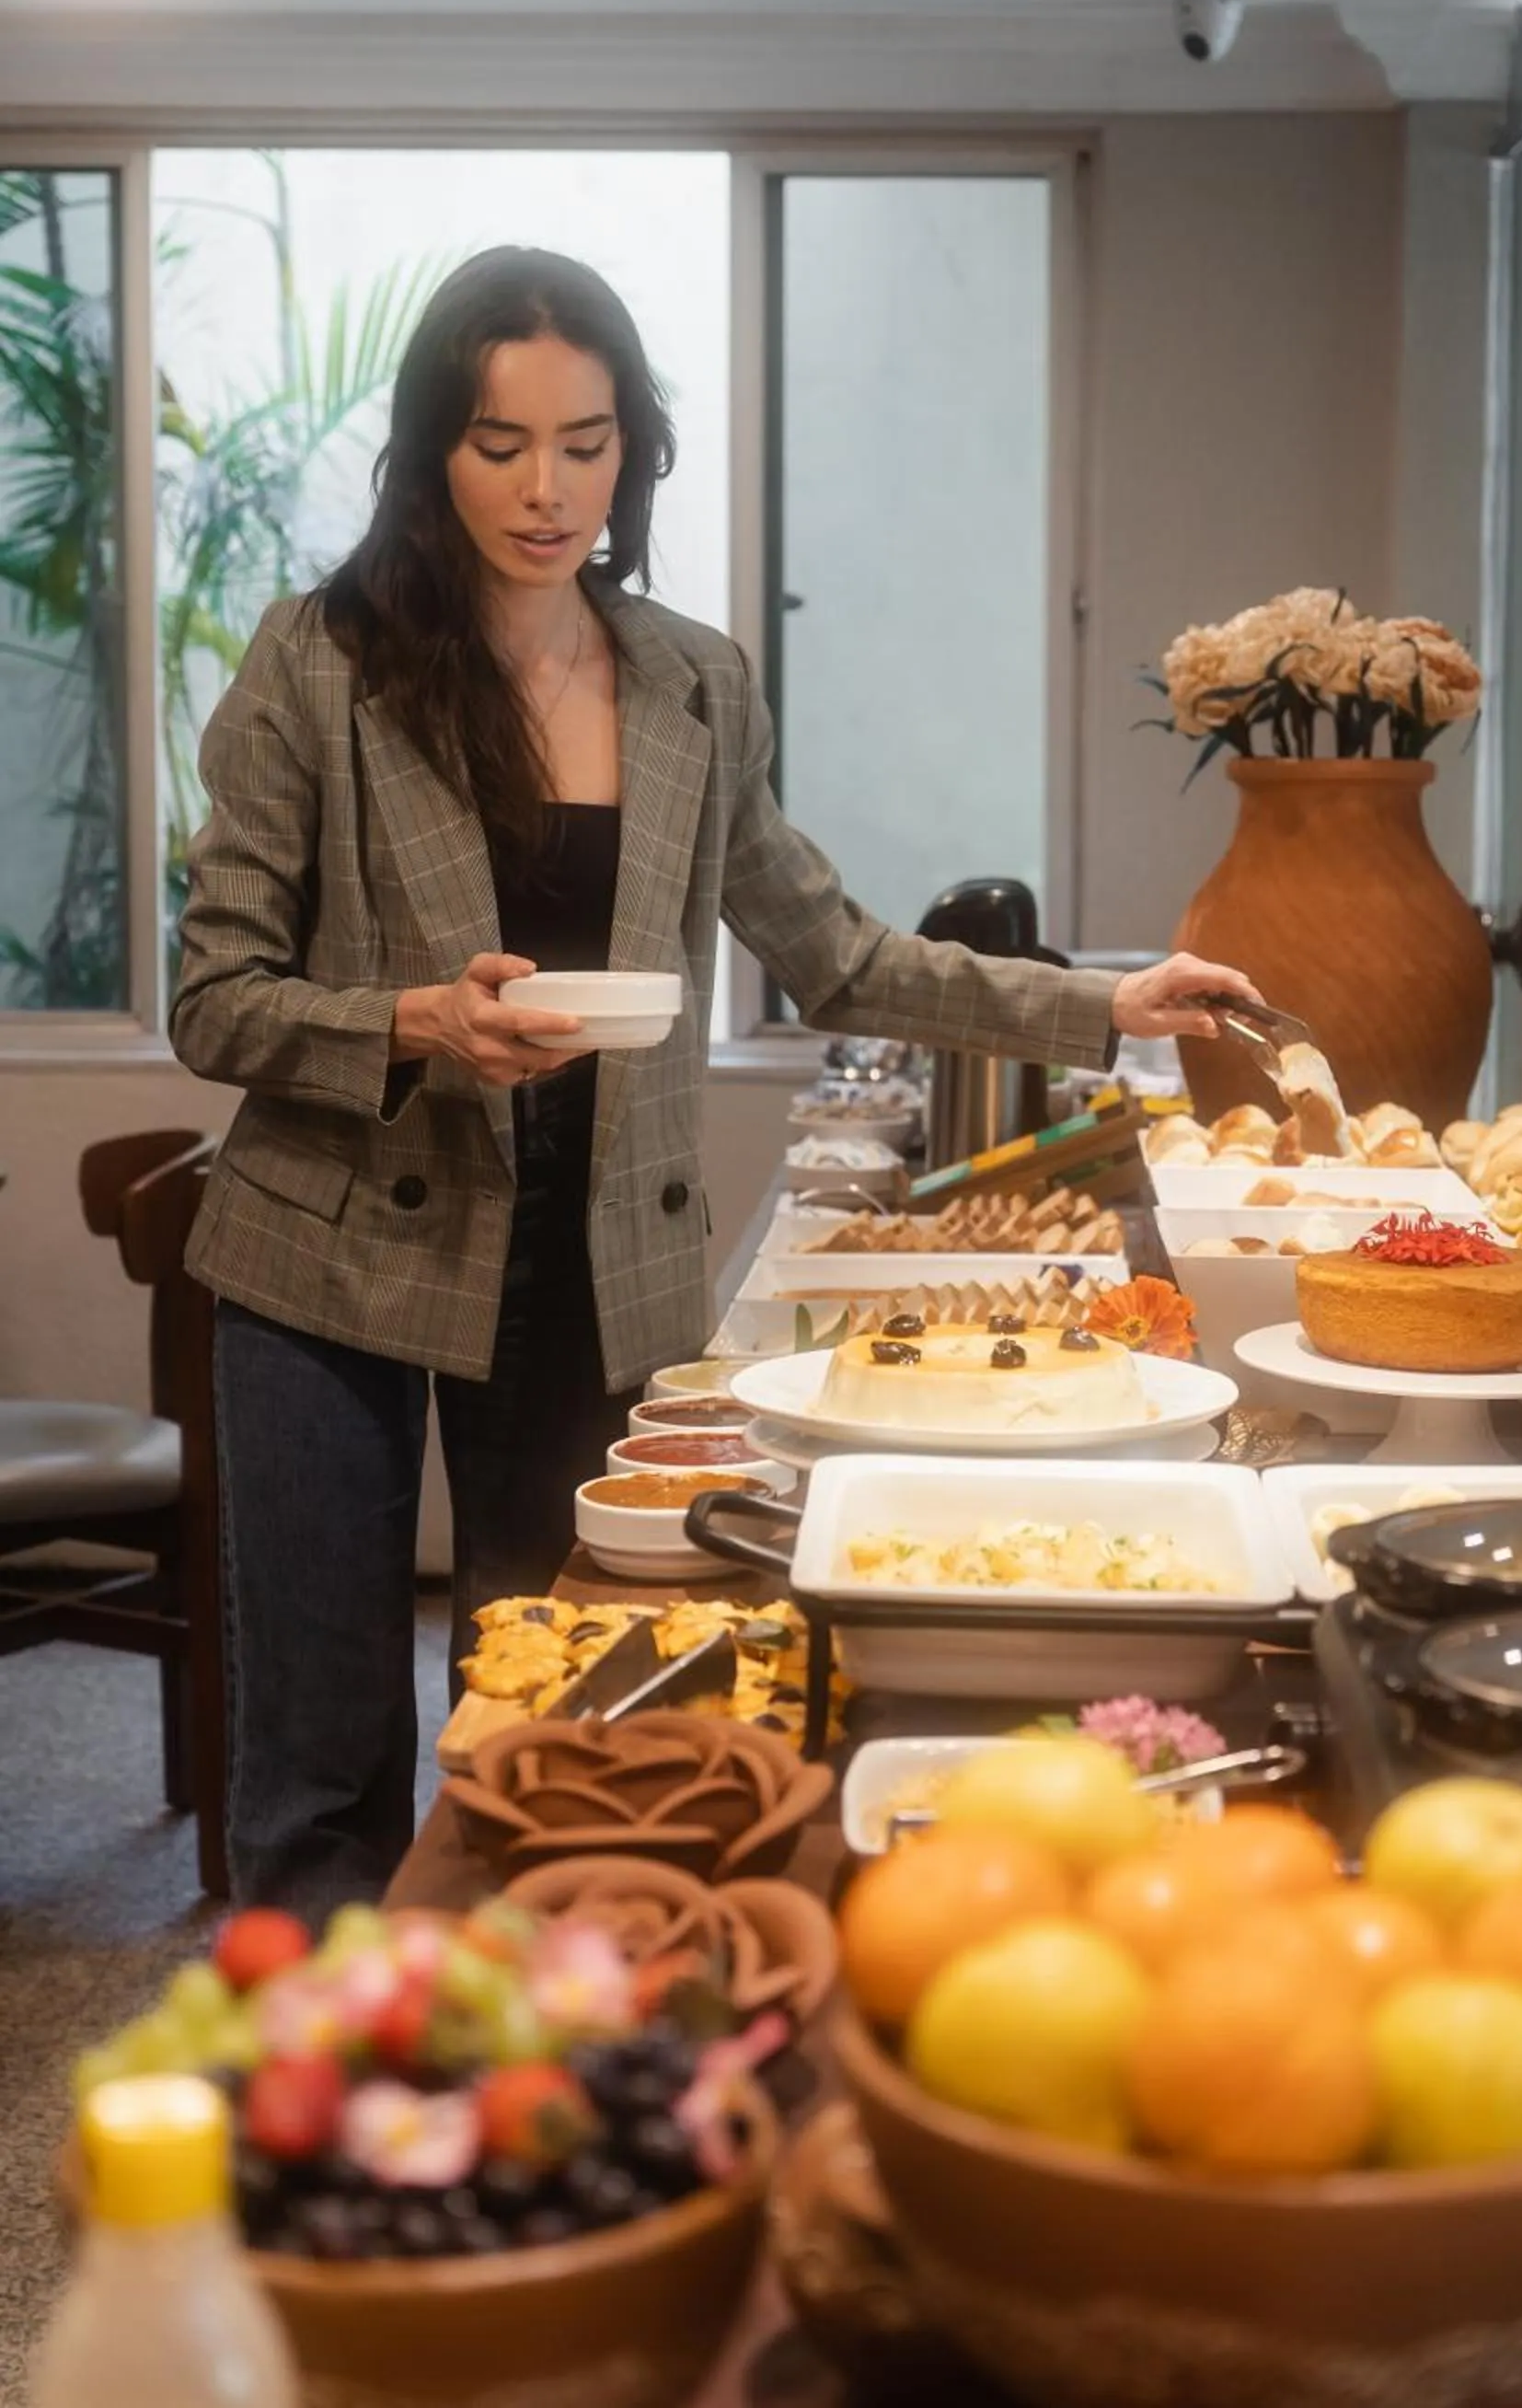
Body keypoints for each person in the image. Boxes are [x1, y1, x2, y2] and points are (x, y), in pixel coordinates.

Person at [170, 246, 1259, 1916]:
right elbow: (217, 1001)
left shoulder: (692, 678)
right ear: (430, 452)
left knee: (566, 1704)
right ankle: (317, 2115)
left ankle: (526, 2072)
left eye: (586, 443)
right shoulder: (317, 664)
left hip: (591, 1257)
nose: (548, 490)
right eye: (499, 442)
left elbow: (836, 955)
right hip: (328, 1261)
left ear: (635, 452)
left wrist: (1107, 1004)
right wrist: (417, 1023)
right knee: (318, 1761)